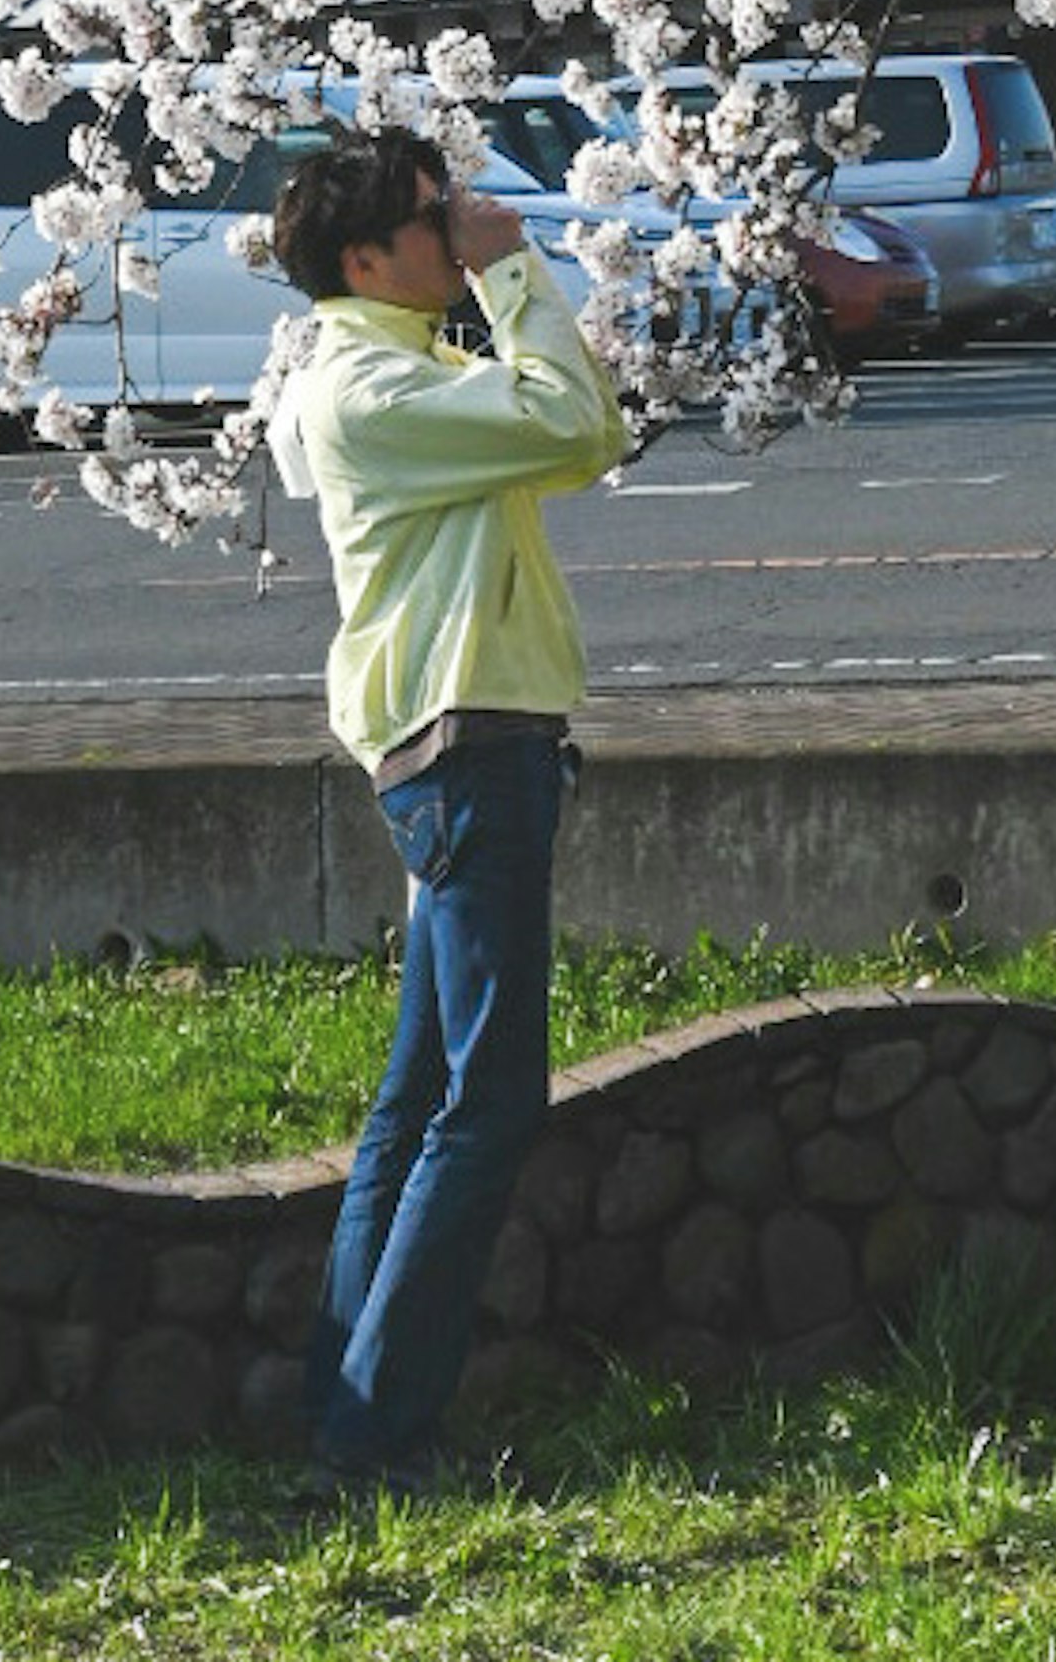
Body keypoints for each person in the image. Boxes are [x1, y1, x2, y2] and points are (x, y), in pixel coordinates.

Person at [266, 119, 628, 1503]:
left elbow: (560, 425)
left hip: (463, 743)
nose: (461, 222)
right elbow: (579, 423)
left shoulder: (397, 368)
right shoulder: (370, 389)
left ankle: (346, 1409)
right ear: (366, 257)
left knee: (420, 1096)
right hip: (467, 749)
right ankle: (376, 1438)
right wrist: (522, 268)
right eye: (433, 215)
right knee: (487, 1098)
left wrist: (488, 286)